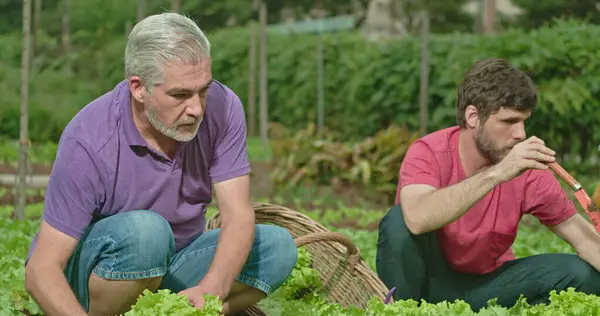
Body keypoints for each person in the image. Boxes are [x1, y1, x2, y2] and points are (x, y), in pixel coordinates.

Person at [24, 12, 298, 316]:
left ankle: (182, 312)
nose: (196, 108)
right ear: (139, 88)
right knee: (147, 234)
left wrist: (214, 287)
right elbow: (41, 270)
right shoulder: (89, 139)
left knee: (276, 247)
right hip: (99, 278)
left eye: (203, 90)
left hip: (175, 267)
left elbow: (237, 215)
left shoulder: (223, 108)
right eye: (180, 94)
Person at [376, 57, 600, 311]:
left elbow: (585, 239)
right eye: (509, 121)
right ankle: (401, 312)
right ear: (473, 116)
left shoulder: (528, 169)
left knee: (581, 273)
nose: (521, 134)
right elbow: (416, 218)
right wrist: (499, 172)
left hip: (487, 288)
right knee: (398, 223)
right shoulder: (428, 152)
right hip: (425, 285)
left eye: (524, 121)